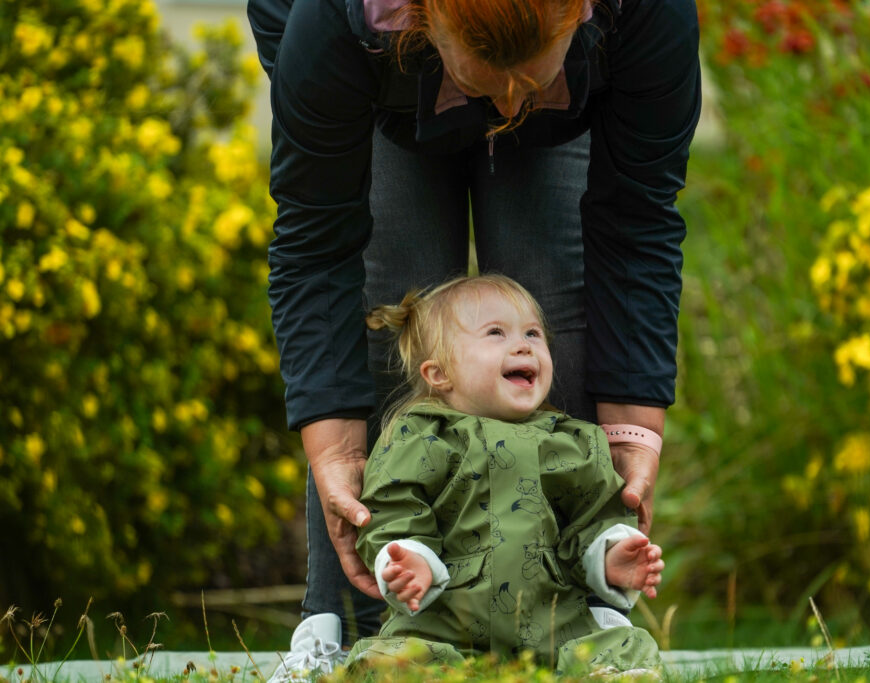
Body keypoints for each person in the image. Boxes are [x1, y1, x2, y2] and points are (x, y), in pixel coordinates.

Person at [246, 0, 700, 675]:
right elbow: (318, 244)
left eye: (530, 79)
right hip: (378, 72)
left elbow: (636, 222)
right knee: (399, 310)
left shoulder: (643, 14)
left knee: (542, 300)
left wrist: (633, 435)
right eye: (493, 75)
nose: (511, 103)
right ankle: (358, 621)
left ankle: (578, 620)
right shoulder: (337, 24)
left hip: (571, 78)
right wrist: (335, 441)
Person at [347, 274, 663, 673]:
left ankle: (610, 671)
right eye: (496, 332)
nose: (522, 344)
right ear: (438, 373)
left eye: (533, 333)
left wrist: (611, 555)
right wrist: (410, 560)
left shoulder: (571, 440)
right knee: (393, 659)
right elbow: (391, 508)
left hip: (556, 626)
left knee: (627, 645)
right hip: (443, 626)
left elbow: (595, 514)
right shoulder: (421, 437)